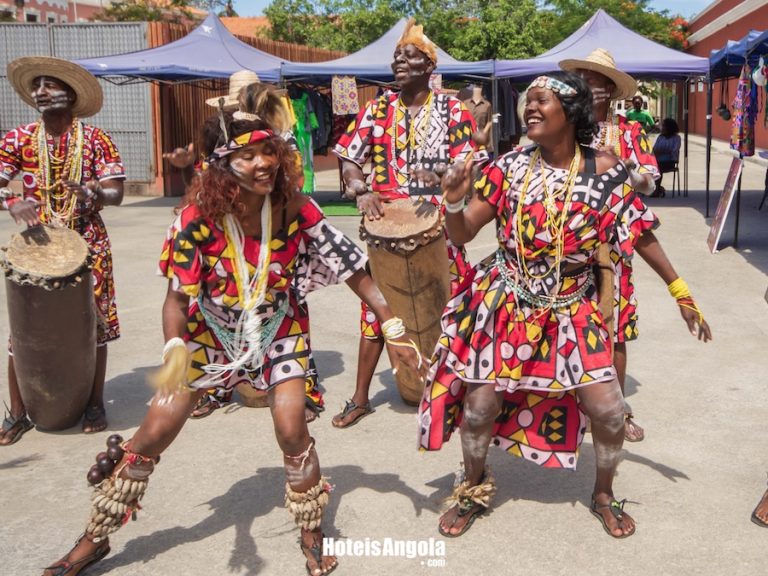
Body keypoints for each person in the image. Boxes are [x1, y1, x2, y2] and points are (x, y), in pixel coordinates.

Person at [41, 113, 423, 576]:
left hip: (277, 329)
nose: (264, 163)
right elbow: (176, 301)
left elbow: (355, 271)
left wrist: (393, 328)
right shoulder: (196, 219)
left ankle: (310, 528)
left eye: (268, 152)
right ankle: (94, 537)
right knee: (154, 431)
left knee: (291, 427)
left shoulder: (296, 208)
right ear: (223, 165)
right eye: (248, 155)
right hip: (209, 335)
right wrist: (175, 351)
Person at [418, 72, 710, 540]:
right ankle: (471, 487)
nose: (530, 109)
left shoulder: (605, 168)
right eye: (527, 103)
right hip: (506, 302)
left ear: (570, 113)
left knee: (611, 413)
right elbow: (463, 232)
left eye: (542, 101)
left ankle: (603, 494)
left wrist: (680, 291)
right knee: (478, 409)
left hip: (573, 305)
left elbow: (640, 229)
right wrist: (453, 201)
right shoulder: (509, 166)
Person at [332, 19, 486, 428]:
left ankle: (467, 391)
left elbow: (465, 159)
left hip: (439, 224)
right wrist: (359, 186)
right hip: (385, 224)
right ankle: (361, 396)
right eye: (397, 56)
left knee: (458, 303)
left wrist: (445, 179)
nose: (399, 62)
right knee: (375, 312)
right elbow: (349, 154)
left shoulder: (453, 109)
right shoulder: (377, 108)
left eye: (409, 56)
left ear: (429, 66)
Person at [559, 49, 711, 443]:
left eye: (596, 84)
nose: (589, 91)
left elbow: (648, 181)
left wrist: (621, 167)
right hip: (565, 249)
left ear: (611, 91)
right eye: (582, 84)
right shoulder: (565, 130)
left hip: (615, 246)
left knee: (615, 330)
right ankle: (570, 412)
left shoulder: (626, 131)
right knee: (566, 331)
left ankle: (617, 411)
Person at [164, 78, 325, 422]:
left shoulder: (278, 145)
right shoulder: (223, 139)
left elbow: (288, 187)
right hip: (229, 245)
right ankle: (216, 387)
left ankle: (298, 389)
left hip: (274, 245)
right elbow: (206, 182)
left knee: (286, 316)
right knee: (219, 318)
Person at [0, 56, 125, 444]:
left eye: (50, 85)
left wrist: (92, 192)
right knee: (23, 330)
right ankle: (18, 413)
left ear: (70, 94)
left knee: (95, 323)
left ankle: (94, 403)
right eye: (36, 85)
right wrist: (10, 201)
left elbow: (116, 193)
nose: (41, 91)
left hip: (88, 242)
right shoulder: (18, 139)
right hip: (37, 246)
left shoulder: (96, 139)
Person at [652, 118, 681, 197]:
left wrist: (664, 151)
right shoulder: (660, 137)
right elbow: (654, 149)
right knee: (650, 167)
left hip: (669, 161)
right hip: (658, 159)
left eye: (664, 126)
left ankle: (657, 189)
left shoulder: (676, 138)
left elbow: (674, 150)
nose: (662, 128)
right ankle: (656, 188)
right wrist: (656, 152)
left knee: (658, 167)